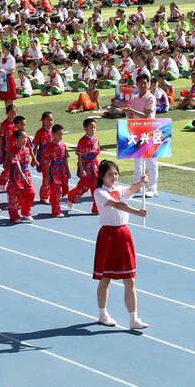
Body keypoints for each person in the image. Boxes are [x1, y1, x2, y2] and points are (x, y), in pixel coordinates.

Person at [92, 159, 149, 330]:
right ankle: (102, 314)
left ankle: (133, 319)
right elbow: (117, 204)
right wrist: (137, 213)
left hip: (123, 235)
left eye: (116, 173)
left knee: (129, 279)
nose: (114, 177)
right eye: (110, 174)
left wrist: (141, 182)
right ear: (102, 176)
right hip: (108, 236)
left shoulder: (118, 189)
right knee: (105, 278)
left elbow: (130, 190)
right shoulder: (99, 192)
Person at [123, 74, 158, 197]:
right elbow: (131, 117)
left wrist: (132, 111)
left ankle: (153, 188)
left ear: (148, 84)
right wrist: (127, 112)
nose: (143, 85)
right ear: (137, 85)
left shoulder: (151, 98)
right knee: (138, 160)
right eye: (141, 83)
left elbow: (147, 115)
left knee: (151, 161)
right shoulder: (134, 98)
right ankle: (138, 184)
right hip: (137, 131)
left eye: (145, 83)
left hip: (149, 131)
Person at [67, 118, 100, 213]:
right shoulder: (82, 141)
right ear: (85, 129)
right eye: (91, 127)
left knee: (96, 187)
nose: (93, 129)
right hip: (86, 166)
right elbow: (80, 157)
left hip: (95, 166)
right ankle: (71, 197)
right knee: (84, 187)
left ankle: (96, 208)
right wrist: (82, 169)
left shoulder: (96, 140)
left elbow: (96, 153)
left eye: (94, 127)